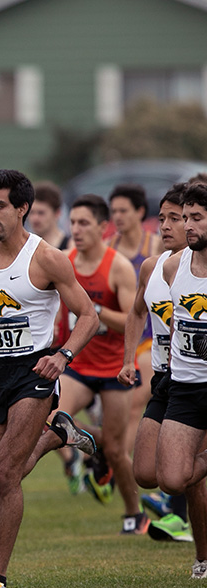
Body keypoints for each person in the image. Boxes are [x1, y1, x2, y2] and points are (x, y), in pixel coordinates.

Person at [0, 169, 98, 588]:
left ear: (22, 209)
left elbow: (89, 316)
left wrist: (62, 356)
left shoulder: (47, 257)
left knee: (7, 474)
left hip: (34, 371)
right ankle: (55, 436)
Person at [24, 194, 144, 533]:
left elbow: (133, 319)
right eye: (72, 223)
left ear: (103, 228)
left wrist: (95, 311)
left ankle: (133, 512)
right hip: (76, 363)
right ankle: (82, 441)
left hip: (112, 369)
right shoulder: (64, 261)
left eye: (84, 223)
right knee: (49, 415)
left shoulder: (118, 266)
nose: (75, 230)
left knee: (119, 450)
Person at [119, 182, 194, 541]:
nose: (163, 226)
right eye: (161, 218)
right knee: (146, 473)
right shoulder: (152, 267)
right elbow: (136, 314)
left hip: (193, 379)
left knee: (176, 476)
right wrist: (129, 358)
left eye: (175, 219)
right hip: (162, 378)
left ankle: (196, 546)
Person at [151, 182, 207, 579]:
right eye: (184, 217)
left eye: (196, 218)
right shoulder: (173, 266)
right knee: (171, 479)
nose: (187, 225)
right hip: (184, 386)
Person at [108, 182, 160, 488]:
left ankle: (114, 468)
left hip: (151, 340)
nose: (118, 217)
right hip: (119, 338)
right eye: (113, 211)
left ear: (140, 212)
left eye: (123, 211)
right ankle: (108, 458)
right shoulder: (109, 248)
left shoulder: (156, 248)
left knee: (134, 405)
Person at [27, 182, 71, 251]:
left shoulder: (72, 247)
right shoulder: (27, 250)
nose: (35, 218)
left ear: (57, 213)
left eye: (41, 213)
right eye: (31, 212)